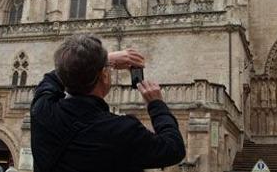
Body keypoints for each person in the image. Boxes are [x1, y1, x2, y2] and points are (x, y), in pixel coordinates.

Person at [31, 34, 186, 172]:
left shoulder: (42, 111)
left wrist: (102, 61)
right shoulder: (121, 130)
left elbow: (53, 77)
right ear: (104, 75)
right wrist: (157, 104)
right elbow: (173, 149)